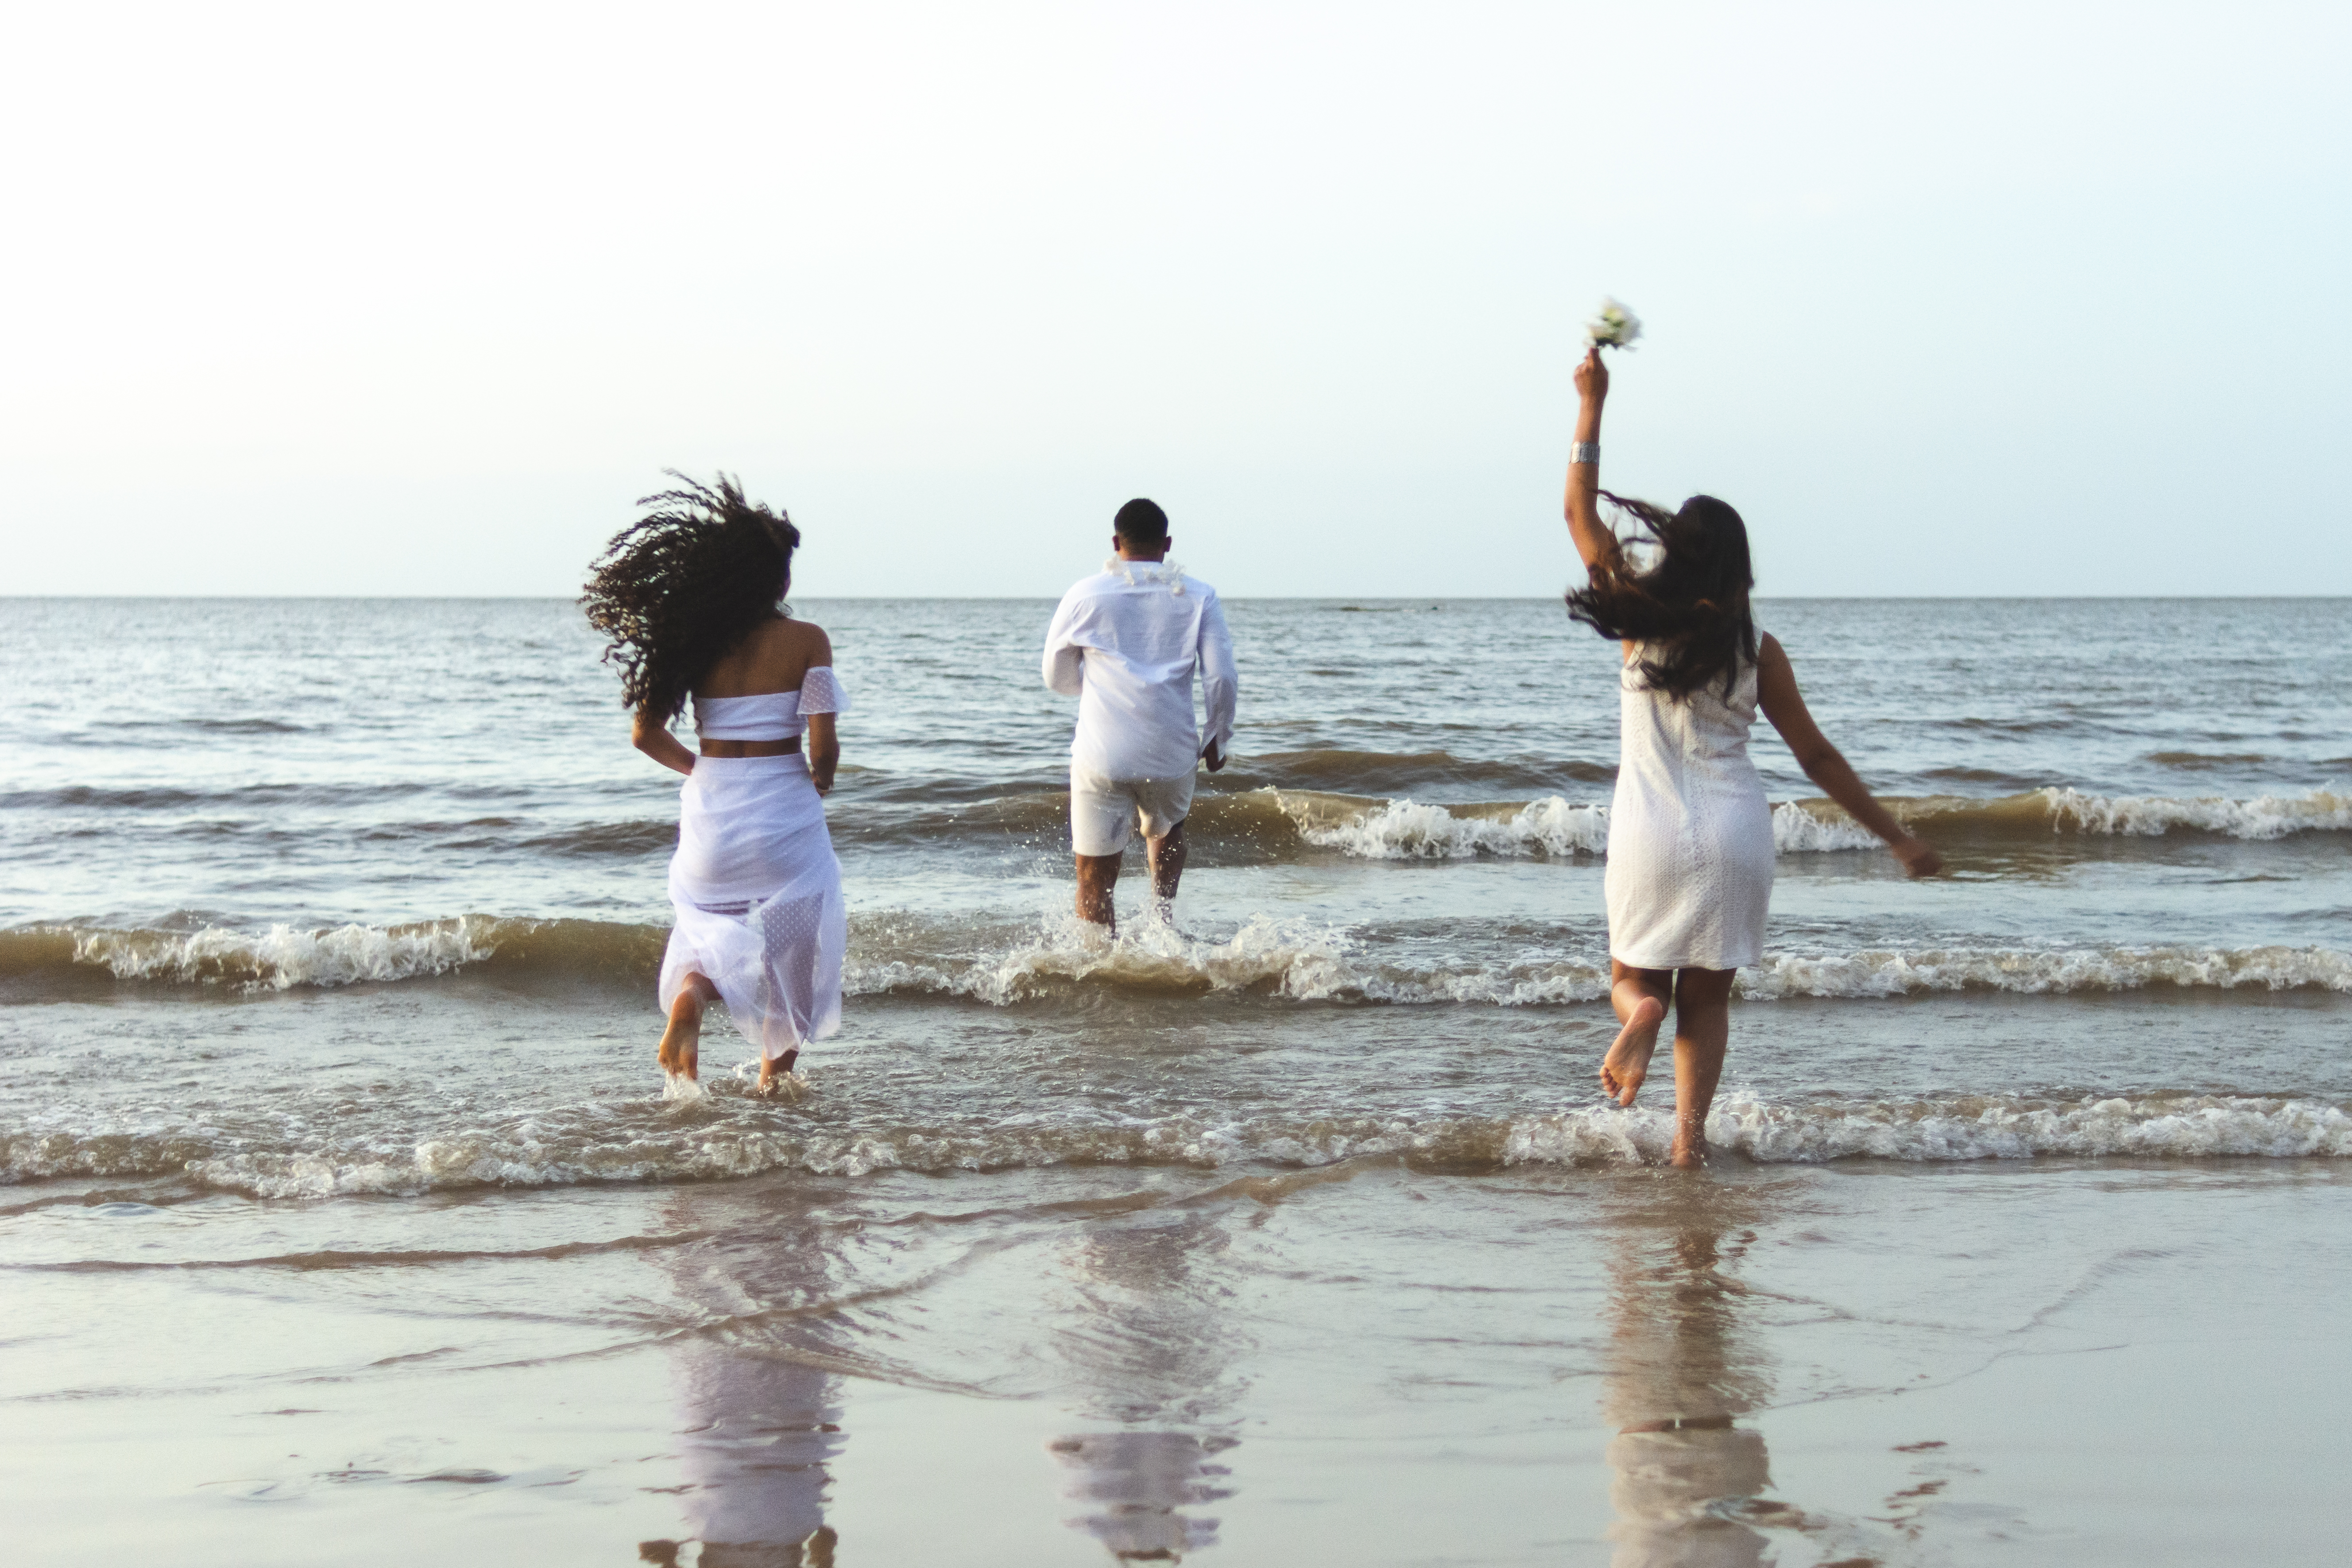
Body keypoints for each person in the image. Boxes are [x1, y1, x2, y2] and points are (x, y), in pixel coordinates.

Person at [1562, 348, 1941, 1166]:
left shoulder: (1636, 622)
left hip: (1647, 833)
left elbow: (1577, 518)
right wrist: (1895, 837)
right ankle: (1687, 1148)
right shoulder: (1756, 646)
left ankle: (1638, 1017)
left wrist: (1591, 405)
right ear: (1738, 566)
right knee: (1708, 999)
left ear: (1672, 553)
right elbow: (1817, 756)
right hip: (1735, 835)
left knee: (1636, 977)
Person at [582, 474, 847, 1093]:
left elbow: (645, 733)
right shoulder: (808, 640)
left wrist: (700, 768)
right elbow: (823, 745)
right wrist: (821, 779)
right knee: (792, 959)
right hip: (784, 814)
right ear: (778, 580)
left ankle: (693, 1001)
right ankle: (772, 1089)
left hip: (713, 816)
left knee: (706, 934)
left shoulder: (694, 643)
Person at [1042, 498, 1238, 934]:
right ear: (1167, 544)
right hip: (1170, 751)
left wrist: (1094, 686)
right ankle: (1161, 926)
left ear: (1115, 543)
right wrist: (1217, 736)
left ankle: (1100, 970)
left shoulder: (1084, 593)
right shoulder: (1199, 595)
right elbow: (1221, 676)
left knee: (1093, 879)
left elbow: (1054, 675)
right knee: (1165, 831)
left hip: (1103, 754)